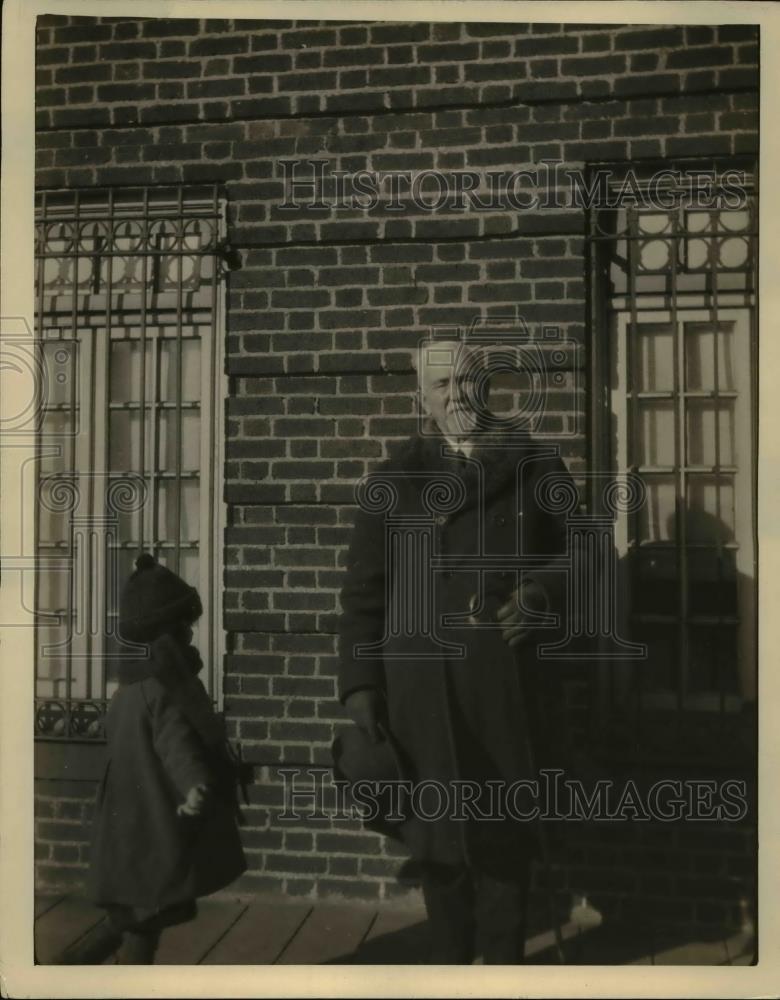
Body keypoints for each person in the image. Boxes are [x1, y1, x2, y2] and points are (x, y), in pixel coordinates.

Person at [337, 339, 575, 964]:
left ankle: (499, 970)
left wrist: (544, 593)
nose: (456, 397)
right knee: (439, 843)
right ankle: (448, 967)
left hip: (506, 691)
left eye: (466, 383)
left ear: (489, 387)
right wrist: (361, 689)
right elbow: (363, 595)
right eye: (441, 387)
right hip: (421, 697)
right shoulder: (391, 482)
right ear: (422, 399)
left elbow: (587, 558)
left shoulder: (535, 467)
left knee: (503, 838)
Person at [58, 554, 246, 964]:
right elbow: (176, 743)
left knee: (133, 913)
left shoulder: (127, 689)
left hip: (128, 825)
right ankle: (98, 975)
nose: (189, 640)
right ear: (166, 637)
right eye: (184, 630)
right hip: (151, 828)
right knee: (147, 914)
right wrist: (196, 783)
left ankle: (75, 966)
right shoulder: (164, 690)